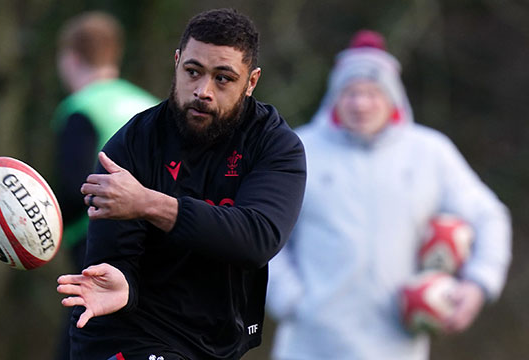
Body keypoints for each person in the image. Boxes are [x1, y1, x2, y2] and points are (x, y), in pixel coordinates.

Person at [56, 8, 307, 360]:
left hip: (217, 339)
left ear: (251, 82)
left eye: (223, 78)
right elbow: (115, 258)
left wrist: (148, 203)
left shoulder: (274, 145)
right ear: (177, 63)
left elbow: (258, 237)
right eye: (193, 72)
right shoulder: (131, 144)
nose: (202, 90)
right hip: (129, 334)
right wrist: (121, 283)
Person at [265, 30, 512, 360]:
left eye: (373, 92)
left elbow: (489, 217)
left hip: (397, 348)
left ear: (393, 97)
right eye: (350, 92)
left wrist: (478, 284)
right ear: (335, 96)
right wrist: (287, 297)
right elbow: (262, 230)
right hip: (310, 346)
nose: (360, 103)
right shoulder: (299, 150)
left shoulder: (430, 153)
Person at [52, 11, 159, 359]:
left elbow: (73, 190)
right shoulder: (149, 105)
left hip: (99, 253)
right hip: (160, 247)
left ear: (70, 57)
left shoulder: (81, 108)